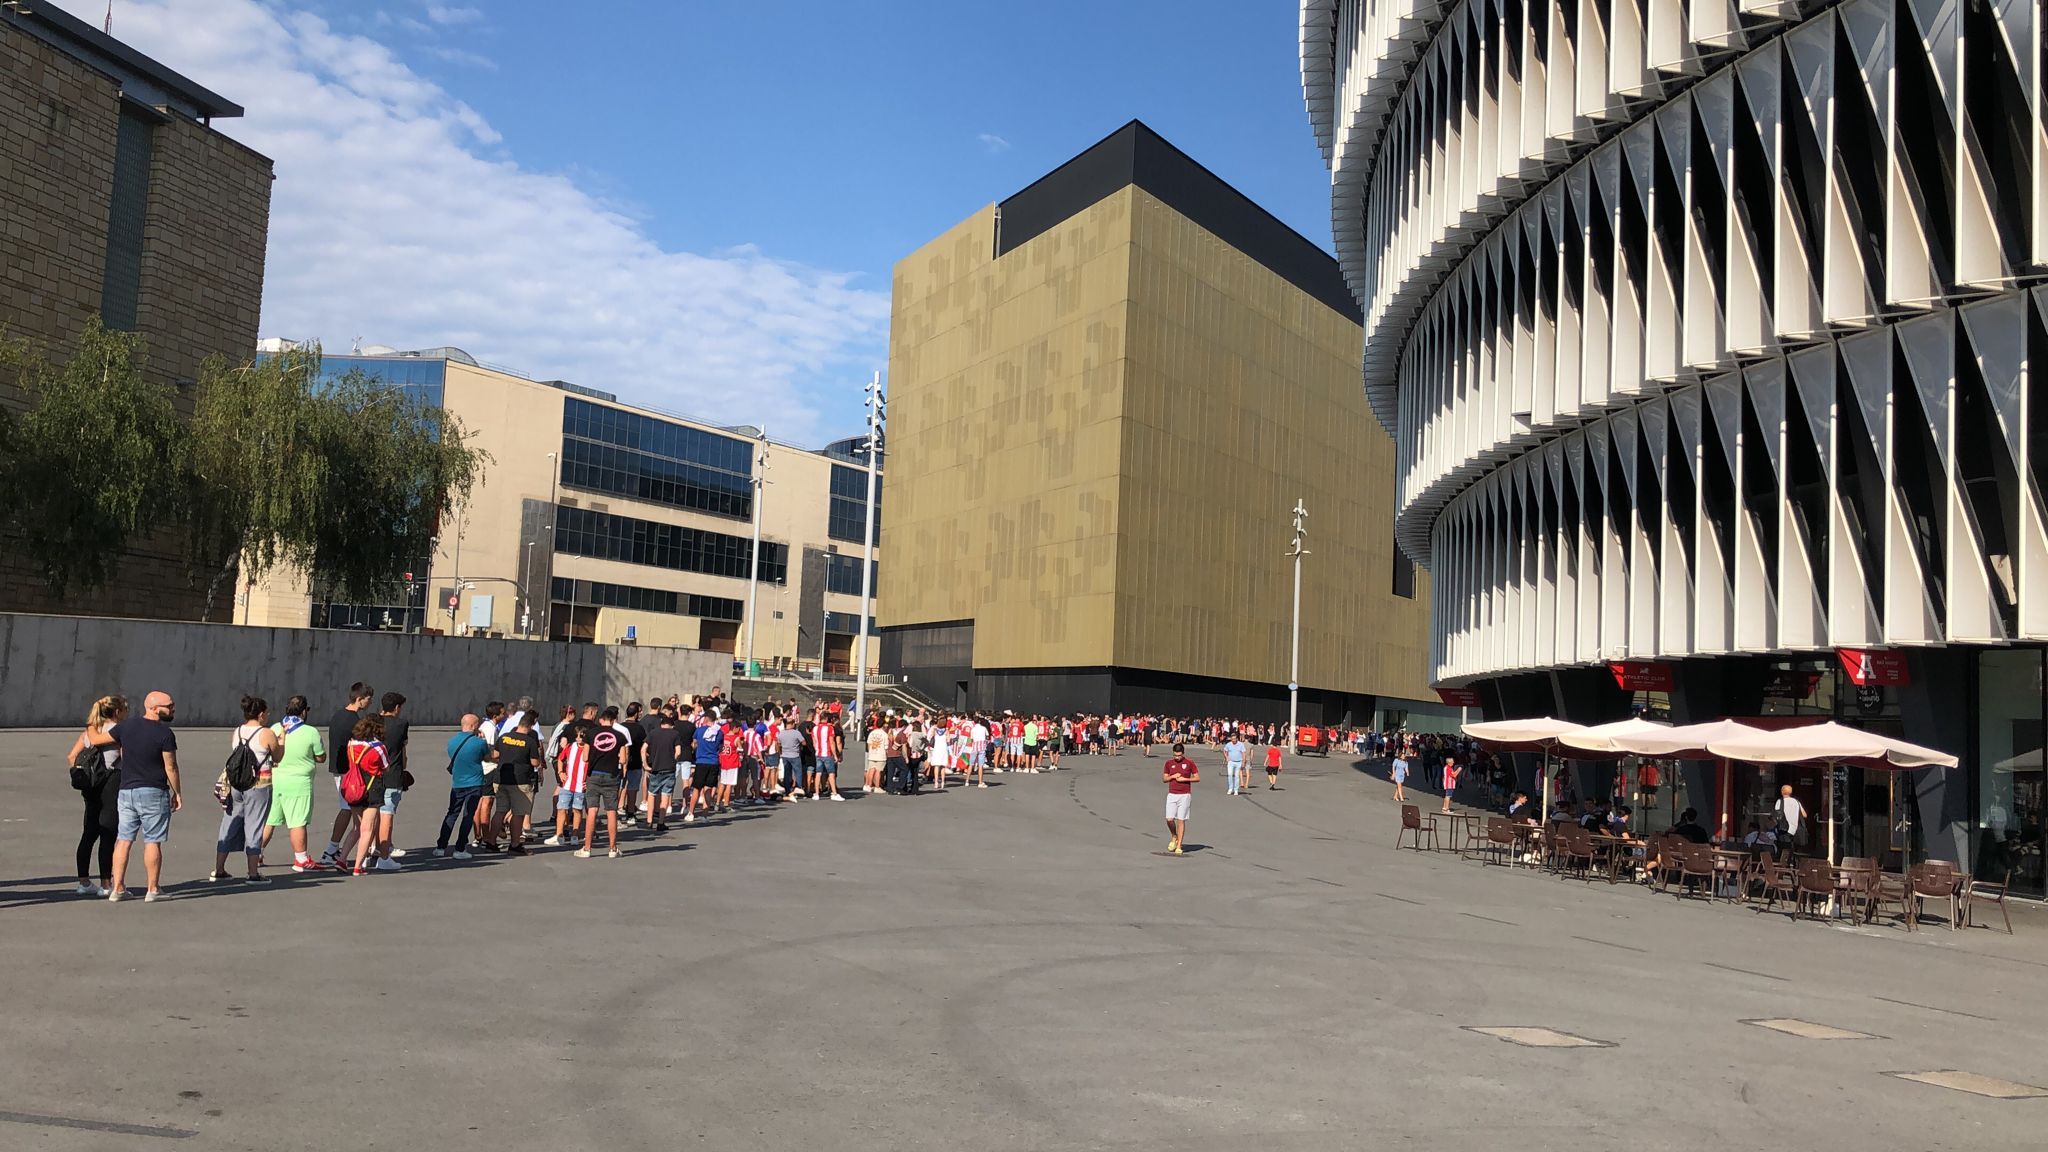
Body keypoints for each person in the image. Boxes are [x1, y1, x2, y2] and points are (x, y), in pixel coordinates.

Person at [108, 691, 181, 902]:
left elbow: (103, 739)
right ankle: (152, 889)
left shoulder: (126, 727)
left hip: (126, 791)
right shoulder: (165, 734)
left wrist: (92, 726)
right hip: (153, 791)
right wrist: (177, 792)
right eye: (169, 705)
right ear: (154, 707)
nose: (173, 709)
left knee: (123, 840)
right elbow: (171, 766)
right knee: (153, 841)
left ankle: (118, 888)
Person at [212, 695, 280, 883]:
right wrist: (281, 741)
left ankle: (219, 869)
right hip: (259, 784)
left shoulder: (238, 731)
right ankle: (252, 873)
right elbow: (278, 756)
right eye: (266, 712)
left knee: (230, 822)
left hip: (236, 783)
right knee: (255, 825)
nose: (267, 715)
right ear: (260, 714)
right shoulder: (266, 733)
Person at [65, 694, 126, 896]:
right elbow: (126, 758)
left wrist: (86, 776)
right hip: (111, 782)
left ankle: (83, 882)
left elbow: (72, 756)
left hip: (90, 786)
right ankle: (106, 884)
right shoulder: (118, 732)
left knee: (89, 832)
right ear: (117, 712)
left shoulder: (91, 731)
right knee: (108, 831)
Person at [262, 695, 327, 872]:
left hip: (275, 780)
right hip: (299, 783)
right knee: (298, 822)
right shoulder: (310, 732)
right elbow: (321, 756)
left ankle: (257, 853)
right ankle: (301, 859)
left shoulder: (275, 728)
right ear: (304, 711)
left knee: (270, 819)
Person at [319, 683, 374, 869]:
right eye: (368, 699)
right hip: (348, 771)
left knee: (349, 809)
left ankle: (334, 849)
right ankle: (331, 850)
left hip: (339, 768)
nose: (369, 703)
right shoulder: (354, 721)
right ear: (360, 699)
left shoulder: (337, 715)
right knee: (348, 808)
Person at [434, 714, 494, 859]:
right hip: (475, 783)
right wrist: (484, 740)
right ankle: (460, 848)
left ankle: (441, 846)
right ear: (474, 726)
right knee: (468, 815)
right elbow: (487, 757)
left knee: (452, 813)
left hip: (457, 782)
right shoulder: (479, 742)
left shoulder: (452, 741)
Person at [343, 714, 392, 875]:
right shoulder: (379, 747)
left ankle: (342, 859)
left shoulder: (351, 744)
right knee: (367, 828)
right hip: (372, 788)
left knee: (356, 827)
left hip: (353, 786)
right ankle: (358, 866)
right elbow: (386, 767)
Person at [578, 707, 629, 856]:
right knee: (611, 811)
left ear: (601, 720)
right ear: (613, 721)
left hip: (593, 774)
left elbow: (585, 758)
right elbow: (623, 759)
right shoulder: (620, 736)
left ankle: (587, 848)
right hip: (611, 775)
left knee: (592, 810)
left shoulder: (591, 734)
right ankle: (613, 848)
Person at [492, 709, 543, 854]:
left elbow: (495, 754)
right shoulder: (529, 741)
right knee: (518, 813)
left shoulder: (504, 737)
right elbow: (534, 762)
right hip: (520, 781)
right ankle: (515, 845)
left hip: (501, 778)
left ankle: (490, 841)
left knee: (500, 811)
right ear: (532, 726)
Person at [1162, 742, 1198, 854]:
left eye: (1179, 755)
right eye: (1175, 755)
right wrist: (1173, 776)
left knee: (1181, 820)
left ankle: (1179, 845)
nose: (1177, 757)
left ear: (1183, 754)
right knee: (1169, 819)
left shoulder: (1189, 763)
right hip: (1172, 794)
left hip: (1185, 795)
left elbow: (1197, 777)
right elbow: (1164, 778)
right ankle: (1174, 835)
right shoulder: (1169, 763)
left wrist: (1185, 779)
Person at [810, 708, 846, 800]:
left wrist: (817, 750)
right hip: (827, 753)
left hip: (818, 753)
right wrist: (835, 755)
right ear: (826, 718)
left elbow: (814, 742)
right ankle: (834, 793)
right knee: (831, 773)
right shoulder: (829, 728)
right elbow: (832, 742)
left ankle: (816, 793)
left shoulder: (815, 728)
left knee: (818, 773)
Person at [1772, 783, 1808, 853]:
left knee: (1784, 851)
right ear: (1790, 792)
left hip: (1784, 830)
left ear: (1782, 792)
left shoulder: (1780, 801)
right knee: (1794, 850)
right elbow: (1804, 815)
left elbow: (1777, 815)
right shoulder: (1796, 801)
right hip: (1796, 830)